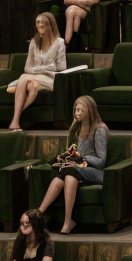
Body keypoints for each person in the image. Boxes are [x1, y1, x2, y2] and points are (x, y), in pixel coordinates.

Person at [37, 95, 108, 233]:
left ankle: (67, 221)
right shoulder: (78, 127)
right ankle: (38, 215)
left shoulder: (99, 129)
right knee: (60, 176)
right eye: (76, 110)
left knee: (70, 172)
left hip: (96, 172)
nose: (77, 113)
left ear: (89, 111)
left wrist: (81, 157)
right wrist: (70, 155)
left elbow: (101, 160)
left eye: (81, 110)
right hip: (78, 169)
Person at [6, 11, 66, 130]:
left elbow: (61, 67)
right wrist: (45, 68)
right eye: (38, 22)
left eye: (43, 23)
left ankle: (14, 118)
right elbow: (27, 67)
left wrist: (39, 69)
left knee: (24, 77)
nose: (40, 25)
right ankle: (16, 121)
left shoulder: (59, 42)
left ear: (50, 25)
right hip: (35, 78)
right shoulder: (34, 42)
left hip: (51, 79)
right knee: (32, 86)